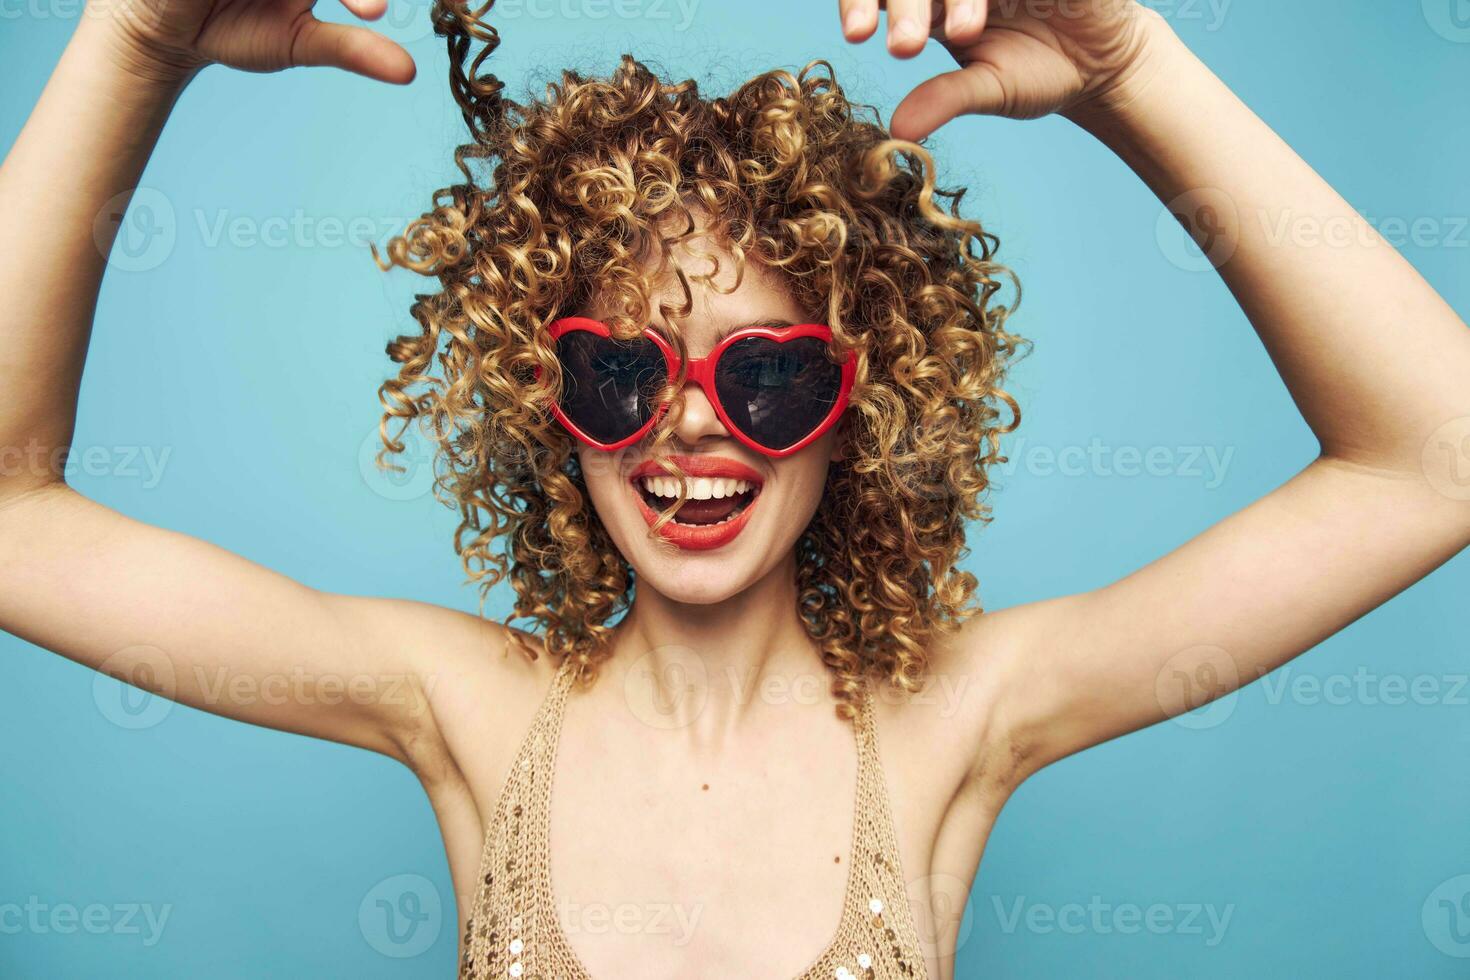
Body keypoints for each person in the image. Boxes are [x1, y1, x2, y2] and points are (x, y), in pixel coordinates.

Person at [2, 0, 1467, 977]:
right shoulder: (464, 709)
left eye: (766, 376)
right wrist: (130, 44)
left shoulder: (960, 717)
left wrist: (1134, 72)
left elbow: (1434, 459)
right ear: (546, 404)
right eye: (620, 373)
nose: (689, 431)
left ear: (862, 401)